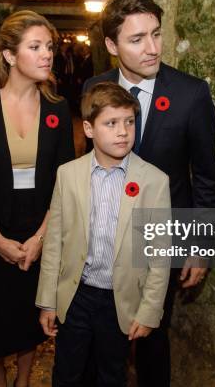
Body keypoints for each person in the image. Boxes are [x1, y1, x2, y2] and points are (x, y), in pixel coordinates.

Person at [83, 0, 215, 387]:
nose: (152, 48)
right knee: (101, 332)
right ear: (111, 45)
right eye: (137, 39)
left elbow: (207, 179)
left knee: (152, 337)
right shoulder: (94, 88)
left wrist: (201, 245)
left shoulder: (191, 94)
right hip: (104, 239)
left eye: (156, 35)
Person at [0, 10, 74, 387]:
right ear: (9, 55)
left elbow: (64, 181)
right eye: (36, 47)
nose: (47, 55)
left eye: (49, 47)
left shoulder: (57, 109)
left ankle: (22, 378)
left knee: (30, 316)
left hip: (38, 230)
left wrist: (40, 239)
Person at [37, 81, 171, 386]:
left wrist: (149, 310)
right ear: (88, 128)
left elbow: (159, 254)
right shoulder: (68, 175)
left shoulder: (154, 181)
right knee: (67, 372)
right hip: (76, 296)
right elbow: (55, 243)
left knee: (111, 374)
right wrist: (47, 300)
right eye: (111, 123)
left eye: (129, 122)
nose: (122, 131)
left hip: (119, 300)